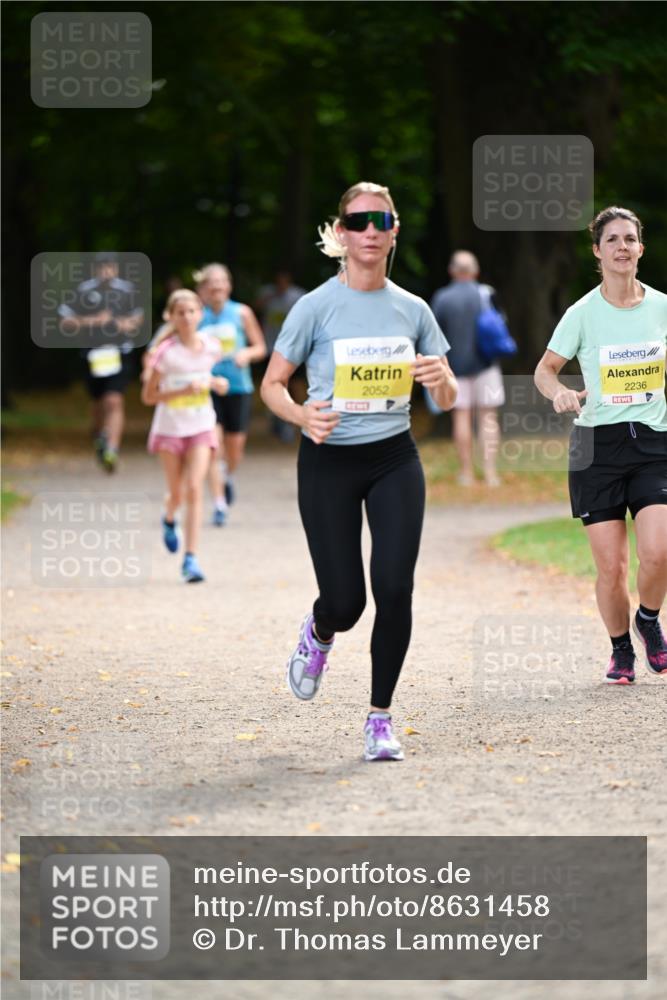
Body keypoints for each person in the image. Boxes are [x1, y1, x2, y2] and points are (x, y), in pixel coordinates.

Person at [261, 181, 457, 761]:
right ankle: (319, 631)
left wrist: (438, 380)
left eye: (382, 219)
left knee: (394, 588)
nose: (371, 230)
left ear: (394, 231)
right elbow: (271, 384)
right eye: (360, 220)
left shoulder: (413, 309)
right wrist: (301, 415)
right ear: (341, 233)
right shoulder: (314, 307)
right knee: (346, 603)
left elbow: (447, 399)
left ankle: (380, 719)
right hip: (328, 460)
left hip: (394, 456)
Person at [534, 206, 667, 685]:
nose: (622, 247)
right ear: (597, 250)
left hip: (654, 443)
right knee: (611, 568)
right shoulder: (582, 313)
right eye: (612, 240)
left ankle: (648, 619)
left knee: (659, 551)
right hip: (596, 448)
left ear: (641, 248)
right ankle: (620, 651)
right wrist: (561, 392)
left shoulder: (662, 308)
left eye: (630, 239)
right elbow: (544, 370)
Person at [141, 289, 229, 583]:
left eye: (192, 311)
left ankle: (190, 559)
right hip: (170, 429)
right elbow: (149, 396)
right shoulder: (165, 353)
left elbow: (214, 380)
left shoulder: (211, 347)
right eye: (181, 312)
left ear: (200, 314)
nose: (187, 317)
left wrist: (217, 383)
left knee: (194, 487)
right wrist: (182, 390)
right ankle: (169, 518)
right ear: (171, 317)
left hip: (201, 426)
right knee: (177, 492)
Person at [194, 263, 266, 525]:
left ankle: (227, 474)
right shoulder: (196, 315)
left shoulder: (241, 313)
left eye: (221, 281)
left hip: (238, 387)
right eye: (211, 282)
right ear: (203, 288)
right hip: (207, 387)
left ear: (229, 286)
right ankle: (219, 504)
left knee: (235, 450)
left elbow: (260, 347)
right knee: (214, 446)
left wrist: (246, 353)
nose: (216, 287)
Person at [58, 251, 144, 472]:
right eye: (102, 267)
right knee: (97, 403)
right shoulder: (84, 291)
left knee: (114, 401)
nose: (107, 271)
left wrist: (117, 323)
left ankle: (112, 449)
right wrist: (93, 321)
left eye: (111, 267)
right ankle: (99, 436)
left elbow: (136, 321)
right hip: (93, 354)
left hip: (118, 353)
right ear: (96, 269)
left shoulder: (127, 291)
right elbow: (65, 321)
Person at [429, 251, 506, 487]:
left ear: (452, 271)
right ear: (474, 271)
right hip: (487, 365)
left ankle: (466, 473)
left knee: (461, 418)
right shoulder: (486, 293)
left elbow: (433, 335)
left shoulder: (442, 298)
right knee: (488, 418)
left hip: (454, 368)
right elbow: (501, 323)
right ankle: (491, 473)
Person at [255, 269, 306, 442]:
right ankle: (278, 422)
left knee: (296, 385)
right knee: (273, 384)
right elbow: (256, 307)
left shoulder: (298, 296)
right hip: (272, 347)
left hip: (295, 349)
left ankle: (299, 421)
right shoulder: (268, 294)